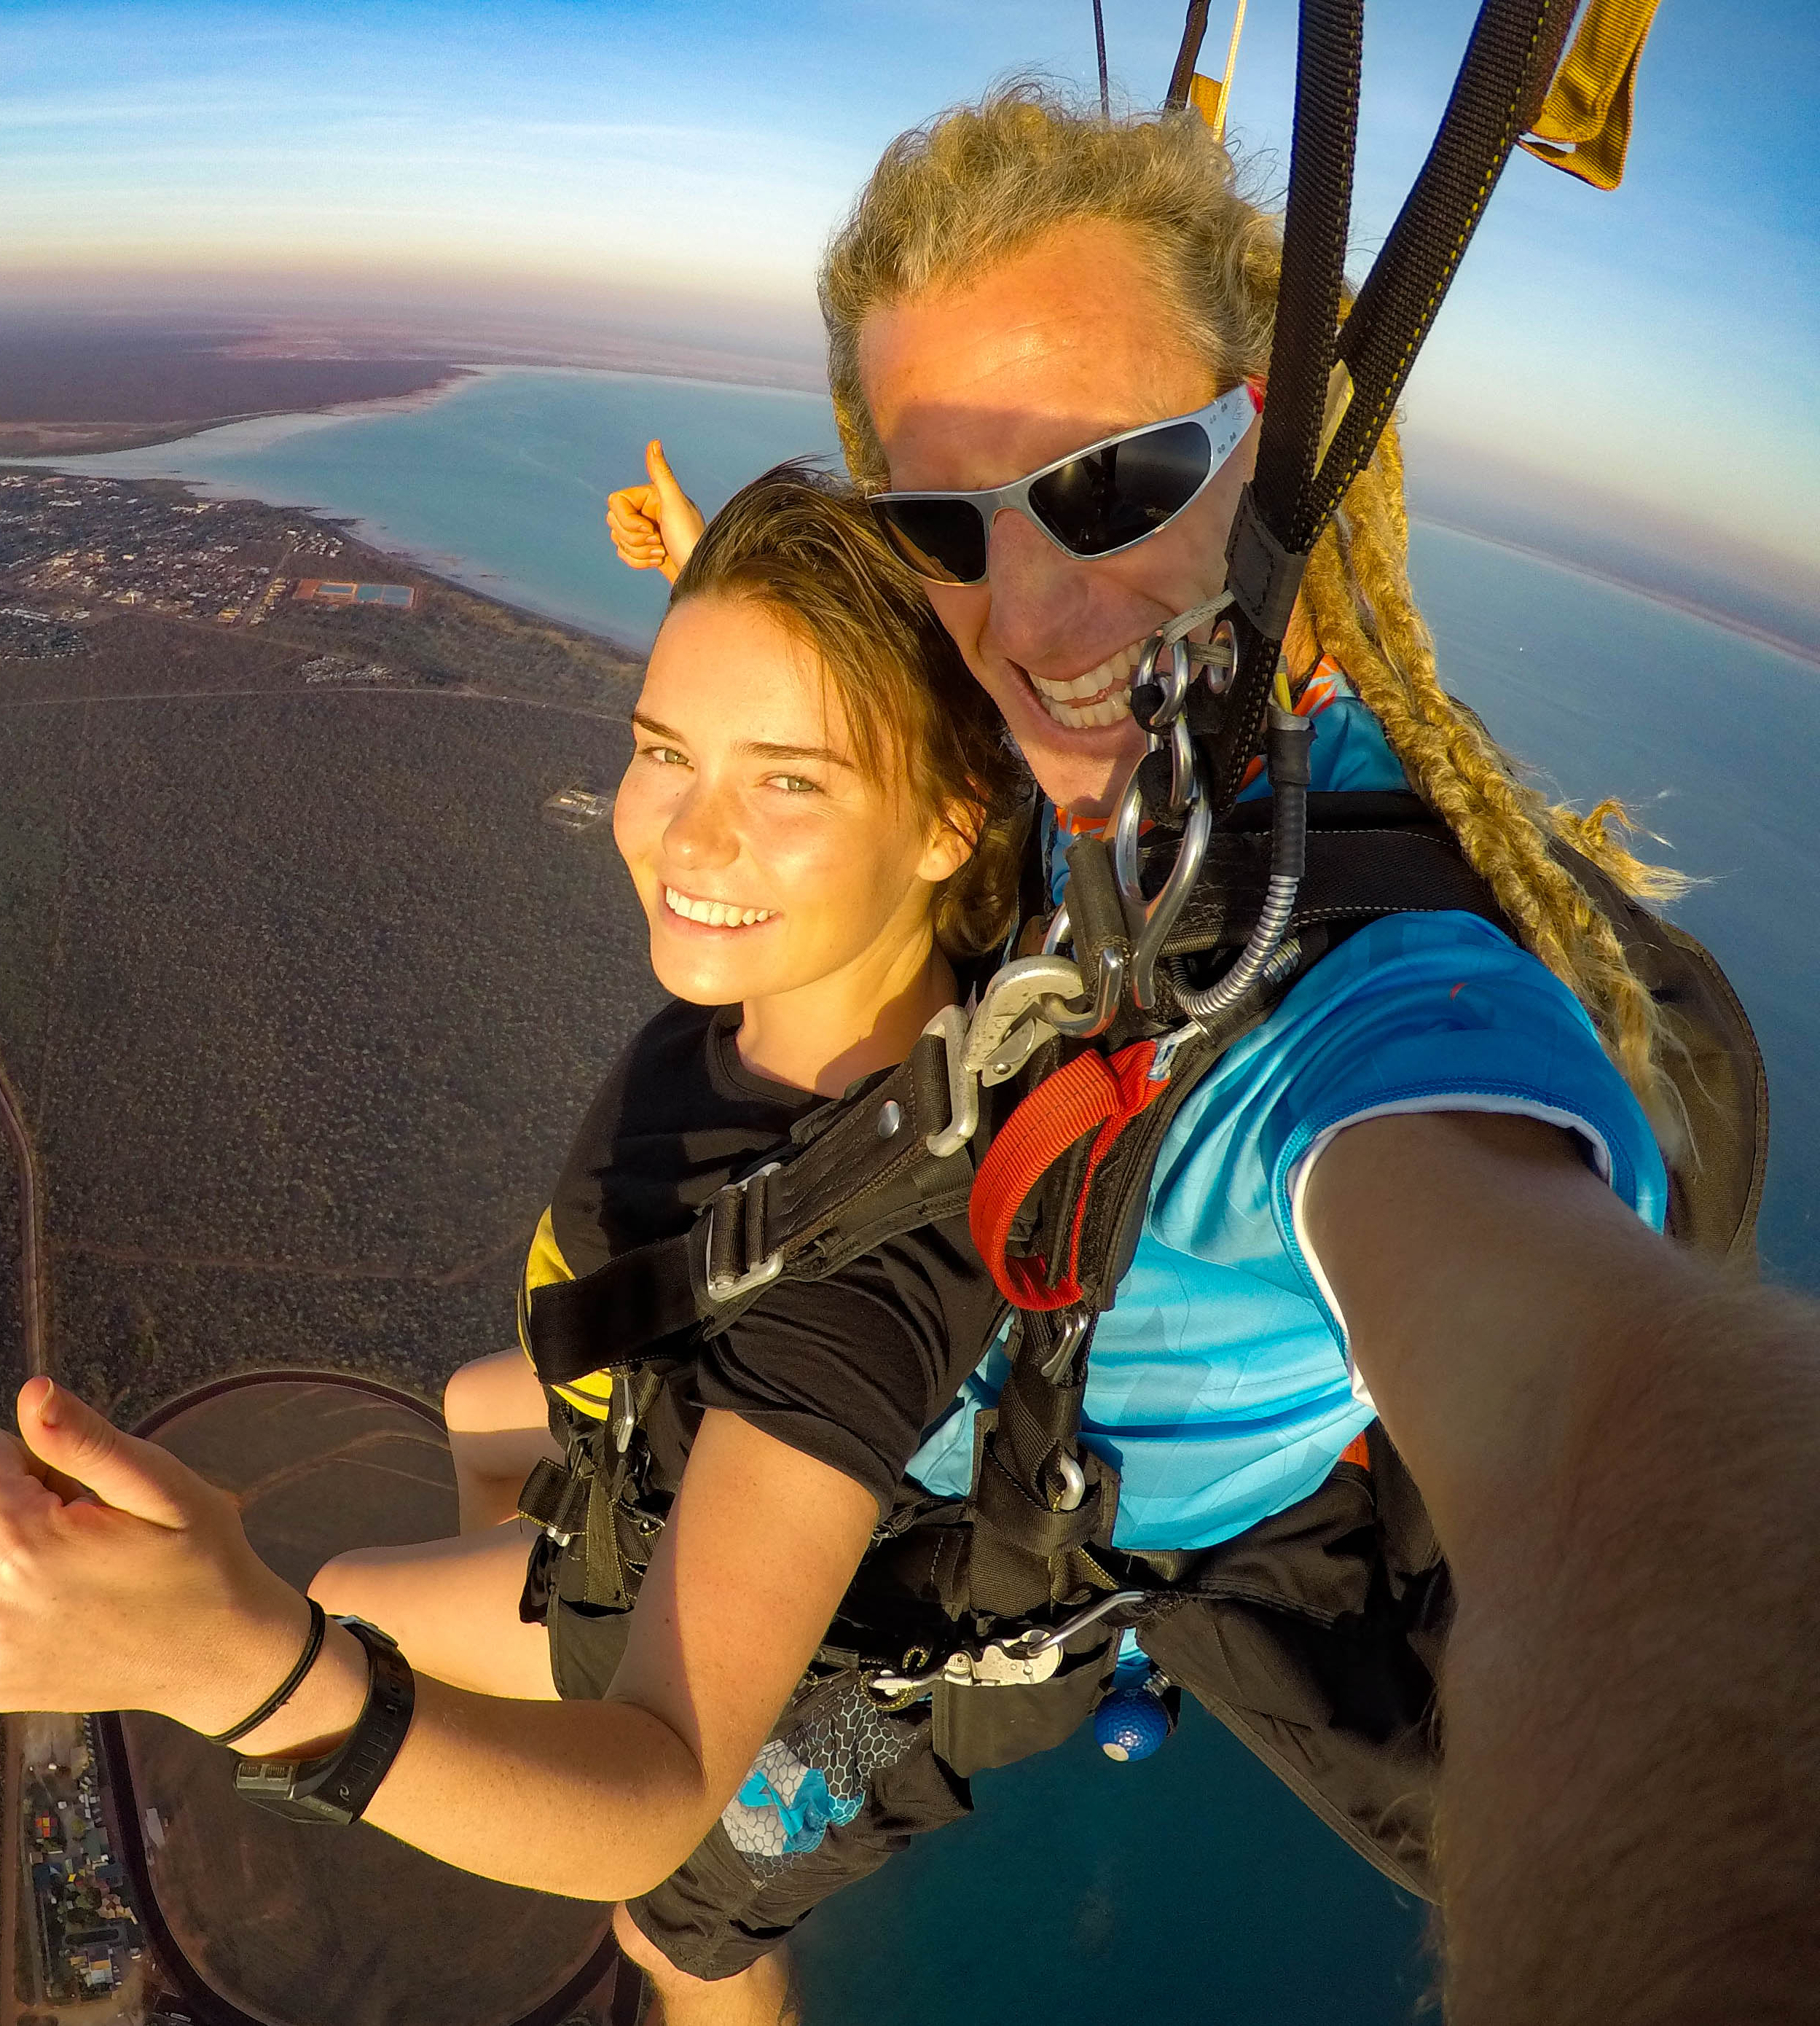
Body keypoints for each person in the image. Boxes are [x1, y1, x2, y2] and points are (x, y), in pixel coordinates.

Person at [593, 84, 1819, 2026]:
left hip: (1058, 1541)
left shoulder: (1366, 999)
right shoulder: (1111, 738)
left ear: (1279, 461)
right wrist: (704, 565)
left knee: (672, 1907)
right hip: (1004, 1398)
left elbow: (1601, 1418)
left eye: (1112, 482)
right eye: (941, 520)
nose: (1032, 600)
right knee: (522, 1436)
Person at [0, 468, 1029, 2023]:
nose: (687, 834)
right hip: (653, 1464)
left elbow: (659, 1781)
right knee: (467, 1417)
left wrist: (235, 1668)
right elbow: (833, 733)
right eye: (663, 748)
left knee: (669, 1915)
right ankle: (562, 1631)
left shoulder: (862, 1283)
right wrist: (711, 563)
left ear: (943, 824)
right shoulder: (850, 994)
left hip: (852, 1668)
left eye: (785, 783)